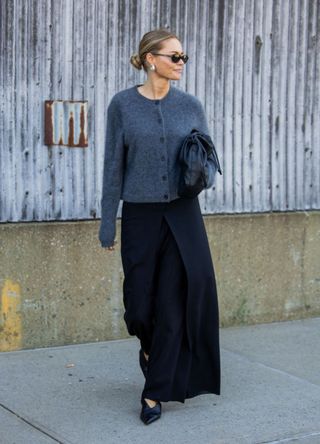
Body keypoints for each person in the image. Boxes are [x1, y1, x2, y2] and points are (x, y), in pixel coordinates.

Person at [99, 28, 221, 425]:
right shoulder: (122, 106)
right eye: (174, 56)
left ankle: (154, 392)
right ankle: (150, 353)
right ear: (151, 59)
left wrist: (200, 169)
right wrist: (107, 221)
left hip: (183, 215)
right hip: (140, 214)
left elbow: (208, 160)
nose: (181, 63)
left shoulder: (191, 105)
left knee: (175, 303)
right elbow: (113, 166)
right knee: (139, 305)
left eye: (183, 56)